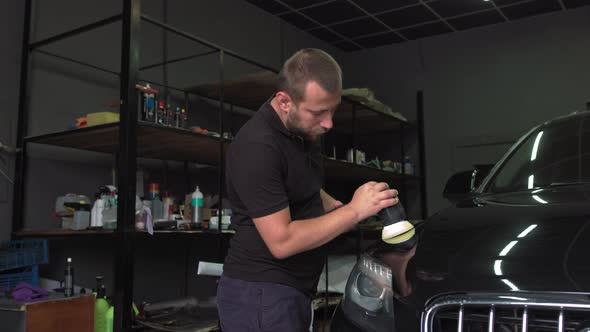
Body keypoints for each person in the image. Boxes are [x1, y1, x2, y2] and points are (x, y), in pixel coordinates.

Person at [216, 48, 398, 331]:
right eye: (318, 113)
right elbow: (282, 241)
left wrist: (335, 207)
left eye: (332, 109)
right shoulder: (258, 147)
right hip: (261, 295)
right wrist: (353, 211)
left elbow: (302, 183)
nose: (328, 123)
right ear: (284, 101)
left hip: (293, 290)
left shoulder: (302, 129)